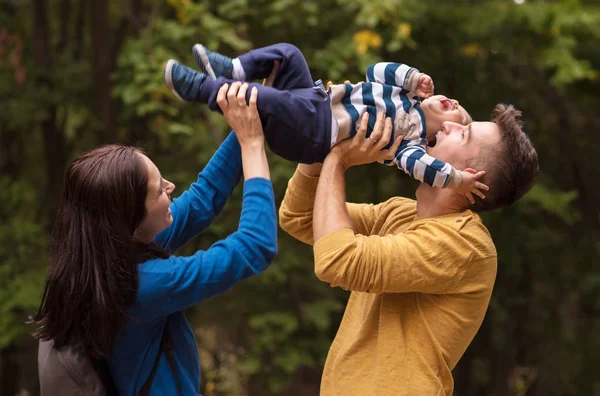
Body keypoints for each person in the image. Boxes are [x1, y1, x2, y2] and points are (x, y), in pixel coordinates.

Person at [31, 83, 277, 395]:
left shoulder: (107, 256)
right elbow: (255, 246)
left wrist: (253, 119)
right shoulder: (138, 288)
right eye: (159, 189)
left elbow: (204, 197)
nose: (171, 186)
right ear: (132, 217)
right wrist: (253, 146)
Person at [278, 104, 539, 395]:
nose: (449, 125)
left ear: (466, 175)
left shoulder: (465, 243)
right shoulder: (400, 213)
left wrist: (338, 160)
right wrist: (329, 133)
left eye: (463, 134)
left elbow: (337, 261)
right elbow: (300, 217)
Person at [163, 43, 489, 203]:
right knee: (290, 54)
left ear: (437, 137)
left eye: (456, 119)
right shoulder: (406, 94)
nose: (453, 105)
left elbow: (427, 170)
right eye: (455, 103)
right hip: (317, 98)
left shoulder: (408, 145)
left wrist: (458, 180)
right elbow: (374, 70)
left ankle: (203, 89)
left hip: (313, 133)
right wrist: (412, 76)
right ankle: (233, 69)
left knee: (268, 99)